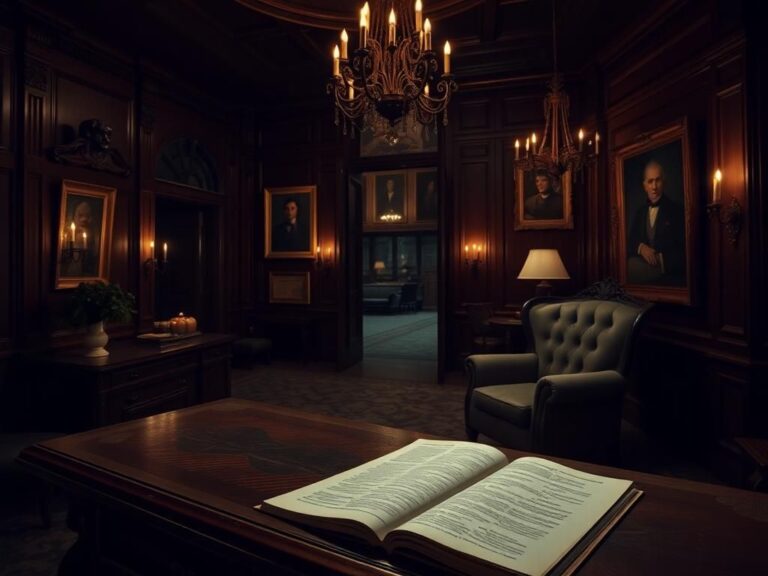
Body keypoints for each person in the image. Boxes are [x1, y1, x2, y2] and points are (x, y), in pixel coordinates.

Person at [626, 159, 685, 285]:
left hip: (669, 276)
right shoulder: (640, 212)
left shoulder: (677, 210)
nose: (654, 186)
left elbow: (684, 249)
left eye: (657, 180)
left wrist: (661, 260)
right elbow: (630, 241)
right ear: (644, 185)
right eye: (650, 181)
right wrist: (641, 248)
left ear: (663, 182)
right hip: (644, 280)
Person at [61, 199, 100, 277]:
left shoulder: (97, 240)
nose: (84, 219)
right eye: (80, 215)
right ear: (73, 216)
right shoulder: (65, 238)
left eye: (88, 215)